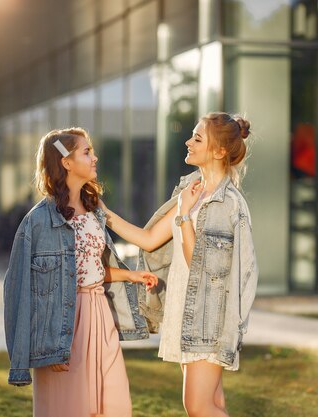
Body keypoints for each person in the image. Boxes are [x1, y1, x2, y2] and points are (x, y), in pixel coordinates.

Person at [99, 112, 258, 417]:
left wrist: (185, 215)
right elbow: (148, 239)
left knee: (198, 406)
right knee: (212, 403)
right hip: (190, 310)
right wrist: (103, 213)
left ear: (219, 151)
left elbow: (200, 264)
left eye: (197, 138)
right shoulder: (192, 191)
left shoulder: (225, 202)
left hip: (209, 317)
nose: (188, 142)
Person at [3, 127, 158, 417]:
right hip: (63, 324)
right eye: (87, 152)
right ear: (66, 162)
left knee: (114, 406)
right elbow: (17, 290)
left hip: (99, 314)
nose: (95, 157)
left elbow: (90, 268)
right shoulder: (37, 221)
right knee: (70, 408)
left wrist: (130, 275)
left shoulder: (95, 209)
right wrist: (42, 347)